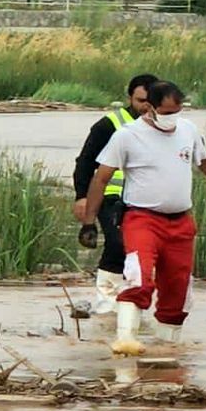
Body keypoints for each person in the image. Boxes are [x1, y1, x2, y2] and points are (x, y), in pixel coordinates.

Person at [80, 81, 206, 355]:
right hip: (141, 219)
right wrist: (89, 222)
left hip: (181, 222)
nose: (172, 117)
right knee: (139, 280)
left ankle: (167, 352)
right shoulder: (127, 135)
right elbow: (101, 178)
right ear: (149, 108)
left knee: (178, 292)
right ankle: (125, 341)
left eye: (177, 110)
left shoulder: (188, 130)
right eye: (166, 111)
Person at [72, 73, 158, 314]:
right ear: (129, 97)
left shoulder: (166, 125)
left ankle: (135, 303)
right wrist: (82, 196)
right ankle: (107, 305)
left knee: (146, 249)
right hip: (111, 197)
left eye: (150, 101)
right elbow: (86, 162)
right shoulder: (109, 125)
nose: (145, 107)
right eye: (140, 100)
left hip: (148, 199)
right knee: (118, 242)